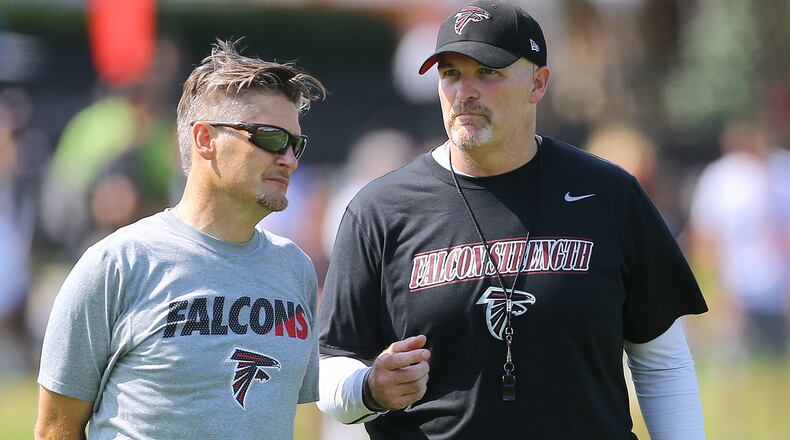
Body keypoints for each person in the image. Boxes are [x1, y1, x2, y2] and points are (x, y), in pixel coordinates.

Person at [316, 2, 707, 439]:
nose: (466, 91)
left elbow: (663, 362)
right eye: (450, 74)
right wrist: (370, 389)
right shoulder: (378, 210)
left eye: (488, 72)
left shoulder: (610, 194)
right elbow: (331, 372)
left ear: (538, 83)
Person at [35, 39, 326, 439]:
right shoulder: (117, 264)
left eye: (296, 144)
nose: (289, 159)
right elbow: (56, 430)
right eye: (271, 137)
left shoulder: (295, 269)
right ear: (205, 139)